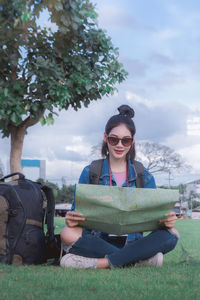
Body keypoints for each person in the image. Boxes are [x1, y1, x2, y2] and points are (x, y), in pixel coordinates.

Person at [60, 105, 179, 269]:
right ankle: (139, 260)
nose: (119, 145)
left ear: (133, 141)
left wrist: (167, 221)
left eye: (126, 140)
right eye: (113, 139)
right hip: (98, 239)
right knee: (67, 233)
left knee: (172, 234)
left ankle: (103, 263)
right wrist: (71, 219)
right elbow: (76, 214)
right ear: (105, 137)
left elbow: (155, 217)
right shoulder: (91, 172)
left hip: (133, 241)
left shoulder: (143, 175)